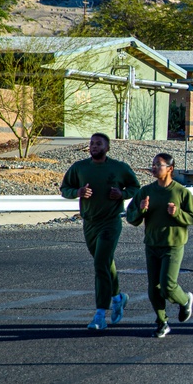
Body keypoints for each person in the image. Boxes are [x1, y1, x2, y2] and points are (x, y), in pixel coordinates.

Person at [60, 133, 141, 331]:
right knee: (105, 263)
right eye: (92, 143)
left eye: (98, 143)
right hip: (89, 223)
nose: (94, 146)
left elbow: (135, 187)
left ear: (107, 147)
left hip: (110, 223)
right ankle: (118, 297)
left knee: (100, 264)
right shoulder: (80, 168)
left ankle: (100, 314)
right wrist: (77, 192)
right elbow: (65, 188)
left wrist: (122, 194)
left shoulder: (119, 168)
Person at [126, 153, 193, 338]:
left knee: (168, 285)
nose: (154, 168)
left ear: (170, 169)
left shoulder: (181, 192)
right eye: (153, 164)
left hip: (173, 244)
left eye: (158, 165)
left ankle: (184, 301)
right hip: (152, 244)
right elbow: (131, 217)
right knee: (153, 288)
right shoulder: (146, 191)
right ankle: (162, 322)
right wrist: (141, 209)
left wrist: (177, 214)